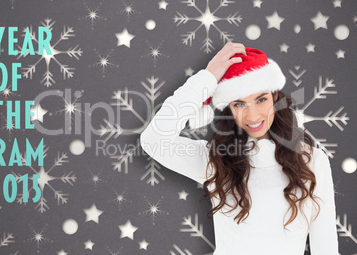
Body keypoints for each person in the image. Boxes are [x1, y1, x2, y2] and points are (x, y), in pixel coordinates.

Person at [140, 43, 339, 255]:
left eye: (261, 99)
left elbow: (325, 247)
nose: (252, 117)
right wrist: (206, 79)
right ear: (229, 109)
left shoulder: (312, 161)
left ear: (275, 97)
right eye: (239, 104)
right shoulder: (215, 159)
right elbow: (154, 140)